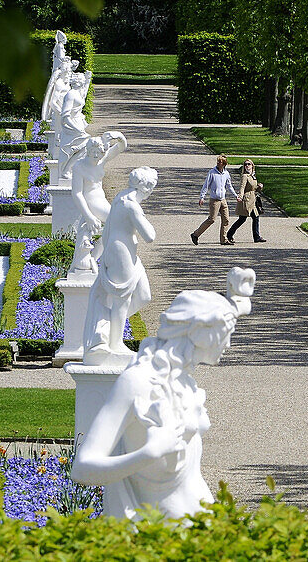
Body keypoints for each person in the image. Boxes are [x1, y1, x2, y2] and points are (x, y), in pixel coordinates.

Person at [71, 267, 256, 520]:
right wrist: (147, 454)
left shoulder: (186, 384)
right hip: (158, 535)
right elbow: (82, 469)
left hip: (202, 526)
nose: (229, 344)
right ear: (200, 331)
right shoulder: (136, 382)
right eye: (227, 333)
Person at [83, 167, 158, 366]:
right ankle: (114, 344)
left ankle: (105, 327)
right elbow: (150, 236)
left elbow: (108, 229)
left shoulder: (120, 197)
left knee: (143, 295)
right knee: (121, 301)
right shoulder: (131, 205)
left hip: (124, 253)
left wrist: (97, 255)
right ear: (147, 187)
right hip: (121, 254)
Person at [190, 155, 240, 245]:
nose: (218, 163)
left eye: (220, 162)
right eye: (217, 161)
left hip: (223, 200)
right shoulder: (212, 173)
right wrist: (202, 197)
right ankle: (195, 234)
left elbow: (229, 186)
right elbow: (206, 185)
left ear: (224, 164)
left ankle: (223, 239)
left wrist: (236, 195)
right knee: (212, 219)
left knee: (226, 220)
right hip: (214, 200)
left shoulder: (226, 174)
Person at [226, 160, 265, 244]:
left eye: (249, 164)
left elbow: (254, 189)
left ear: (252, 166)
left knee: (256, 217)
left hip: (253, 199)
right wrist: (240, 196)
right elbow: (242, 187)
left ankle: (256, 237)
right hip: (247, 199)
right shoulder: (245, 176)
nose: (247, 166)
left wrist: (259, 187)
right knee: (242, 219)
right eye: (245, 164)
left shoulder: (252, 176)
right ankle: (229, 234)